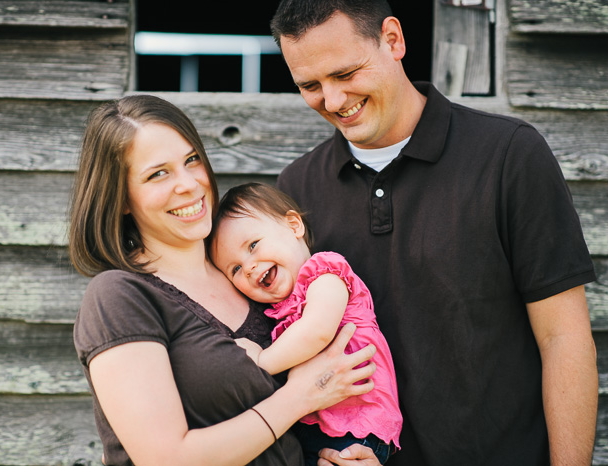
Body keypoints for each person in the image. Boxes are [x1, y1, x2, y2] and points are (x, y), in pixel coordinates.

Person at [269, 1, 598, 465]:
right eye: (310, 85)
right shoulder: (295, 189)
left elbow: (563, 338)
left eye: (346, 73)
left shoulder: (508, 155)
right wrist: (318, 451)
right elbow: (291, 349)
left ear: (393, 40)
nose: (334, 100)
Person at [68, 94, 380, 466]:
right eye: (158, 173)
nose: (189, 184)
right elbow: (166, 459)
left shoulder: (250, 278)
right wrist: (303, 395)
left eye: (191, 160)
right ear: (120, 197)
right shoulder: (119, 297)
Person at [209, 182, 402, 465]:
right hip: (319, 425)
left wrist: (261, 362)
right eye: (235, 268)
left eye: (252, 245)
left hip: (357, 424)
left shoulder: (325, 273)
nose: (248, 266)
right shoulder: (278, 310)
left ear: (293, 225)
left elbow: (318, 333)